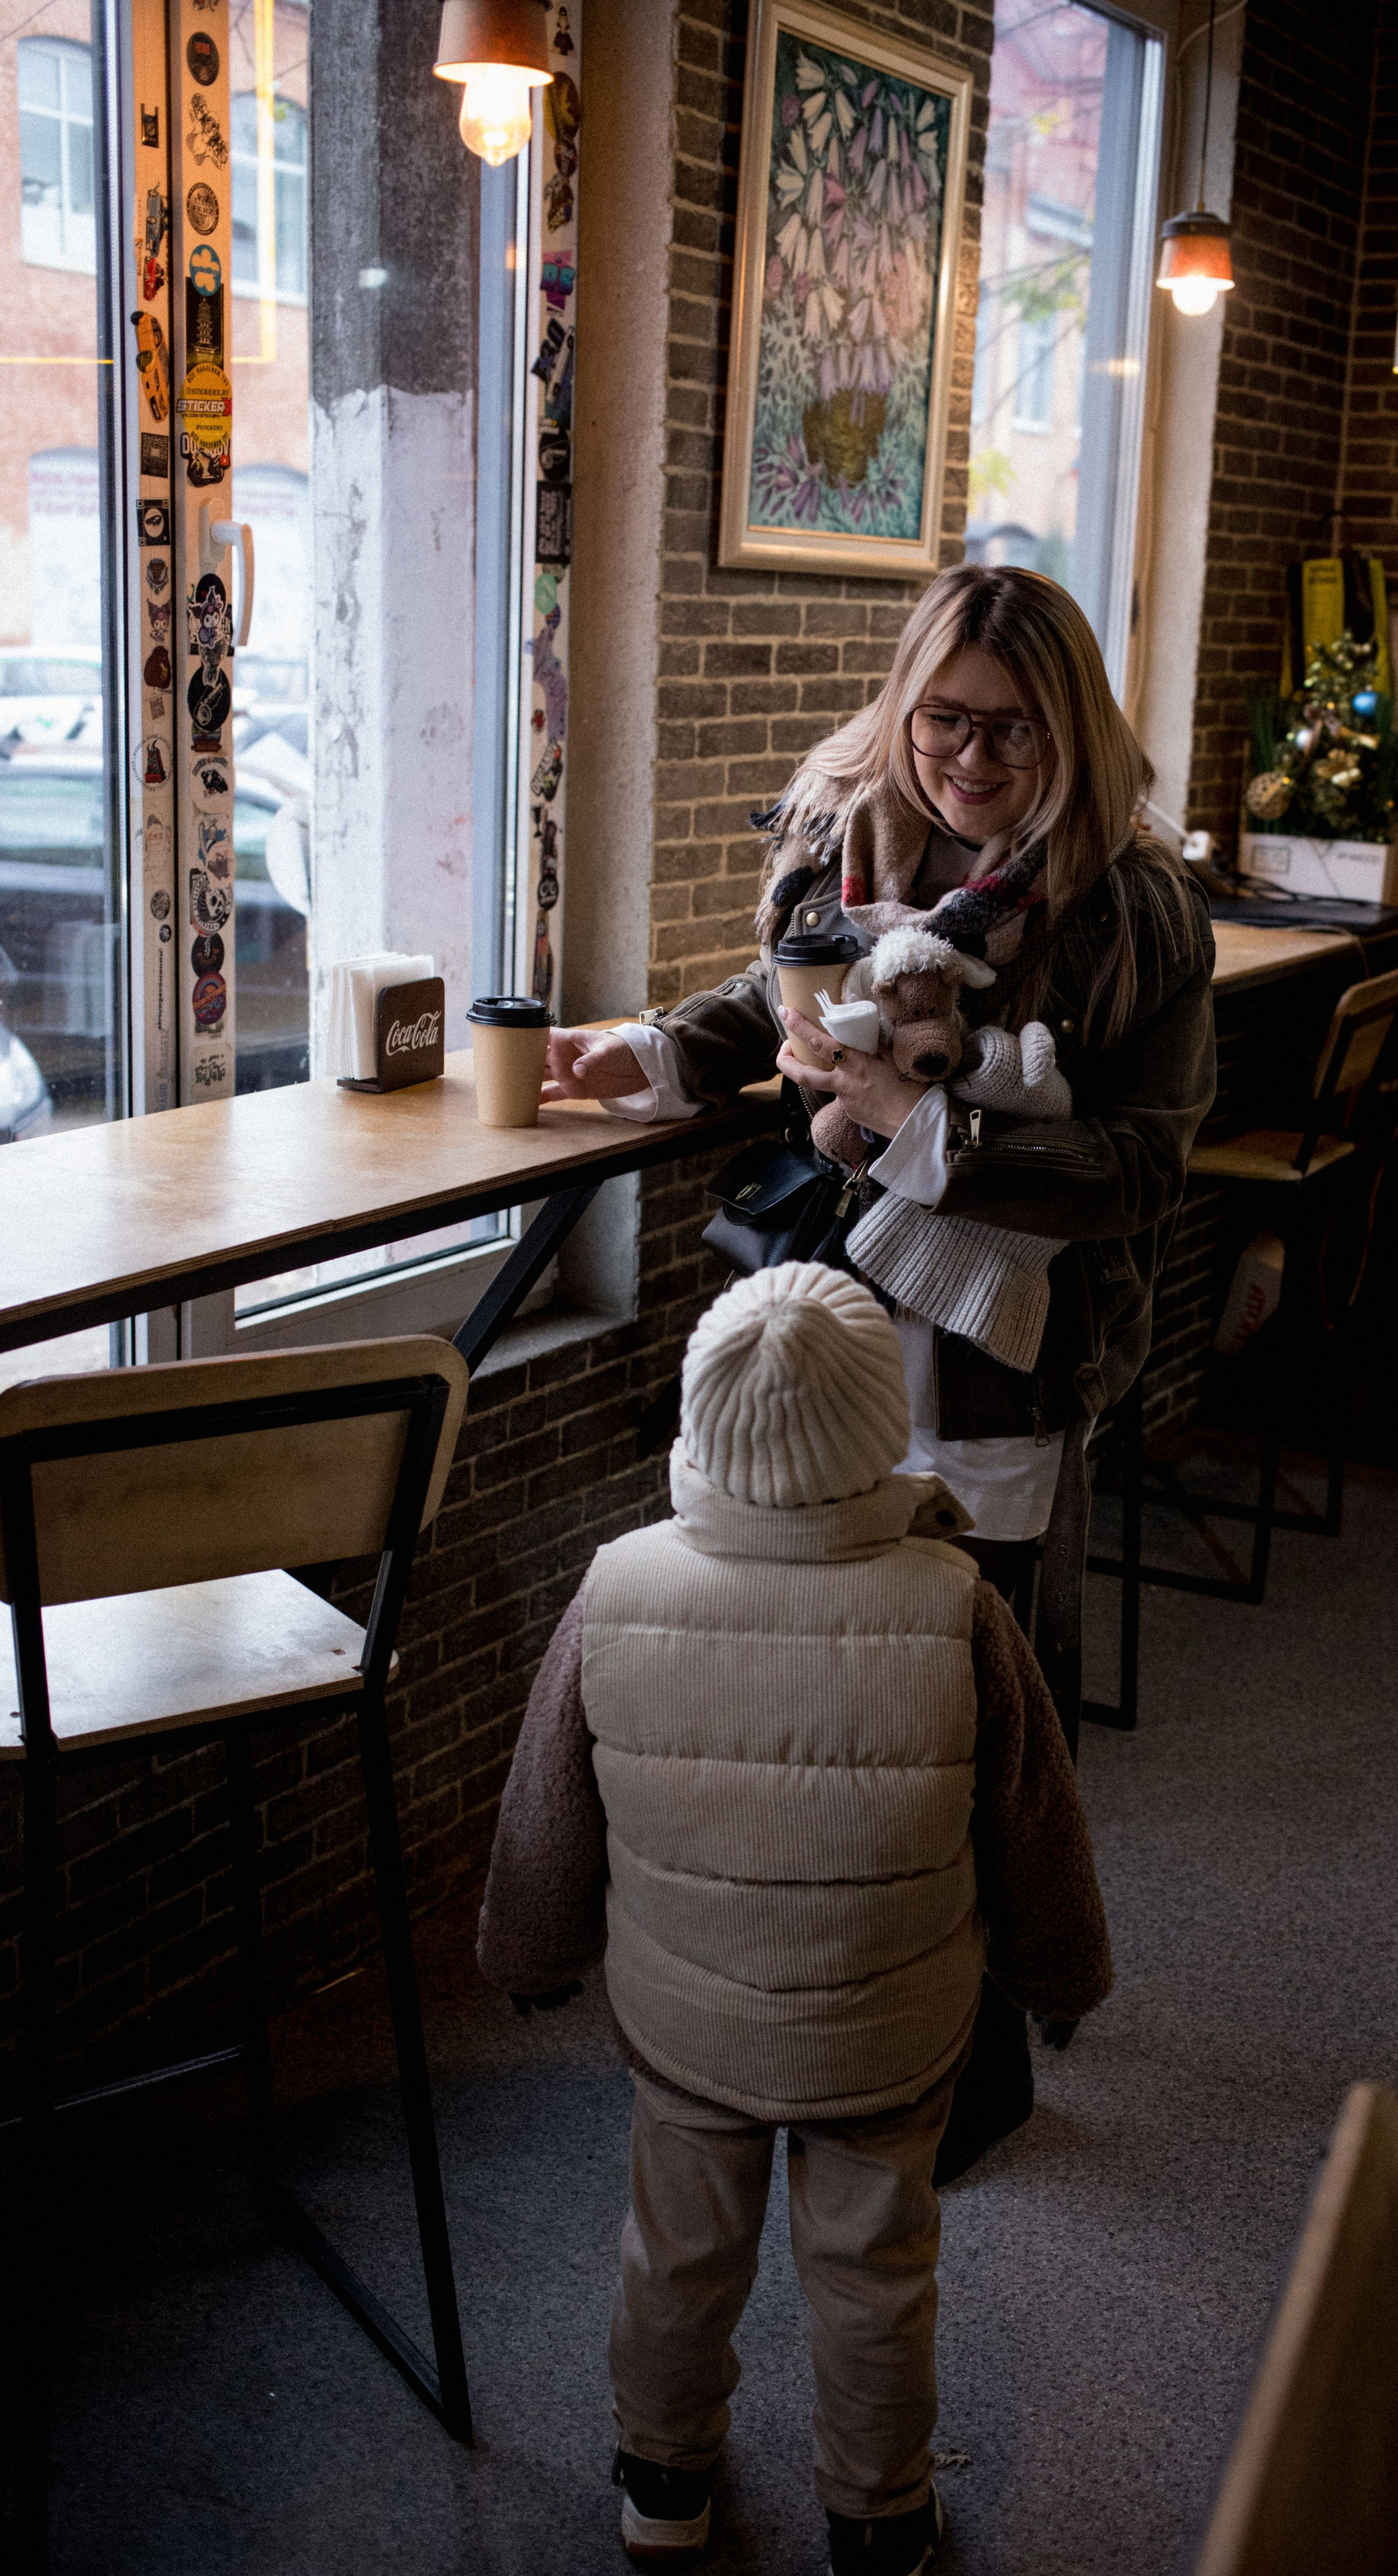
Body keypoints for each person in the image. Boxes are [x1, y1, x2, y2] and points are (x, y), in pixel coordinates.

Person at [544, 562, 1215, 2174]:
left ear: (1072, 729)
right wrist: (655, 1050)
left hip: (1008, 1361)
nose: (970, 756)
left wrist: (935, 1135)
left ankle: (968, 2066)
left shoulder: (1130, 908)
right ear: (900, 708)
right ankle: (790, 2032)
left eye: (1011, 728)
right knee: (805, 1691)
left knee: (977, 1704)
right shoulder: (838, 838)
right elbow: (780, 1004)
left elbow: (1144, 1168)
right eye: (941, 718)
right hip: (826, 1334)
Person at [477, 1262, 1113, 2574]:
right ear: (884, 1429)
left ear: (696, 1422)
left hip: (688, 2017)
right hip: (888, 2029)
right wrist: (1061, 1976)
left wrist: (531, 1956)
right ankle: (877, 2515)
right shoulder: (956, 1611)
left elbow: (543, 1818)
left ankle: (661, 2476)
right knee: (875, 2271)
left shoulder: (614, 1592)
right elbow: (1033, 1830)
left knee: (676, 2252)